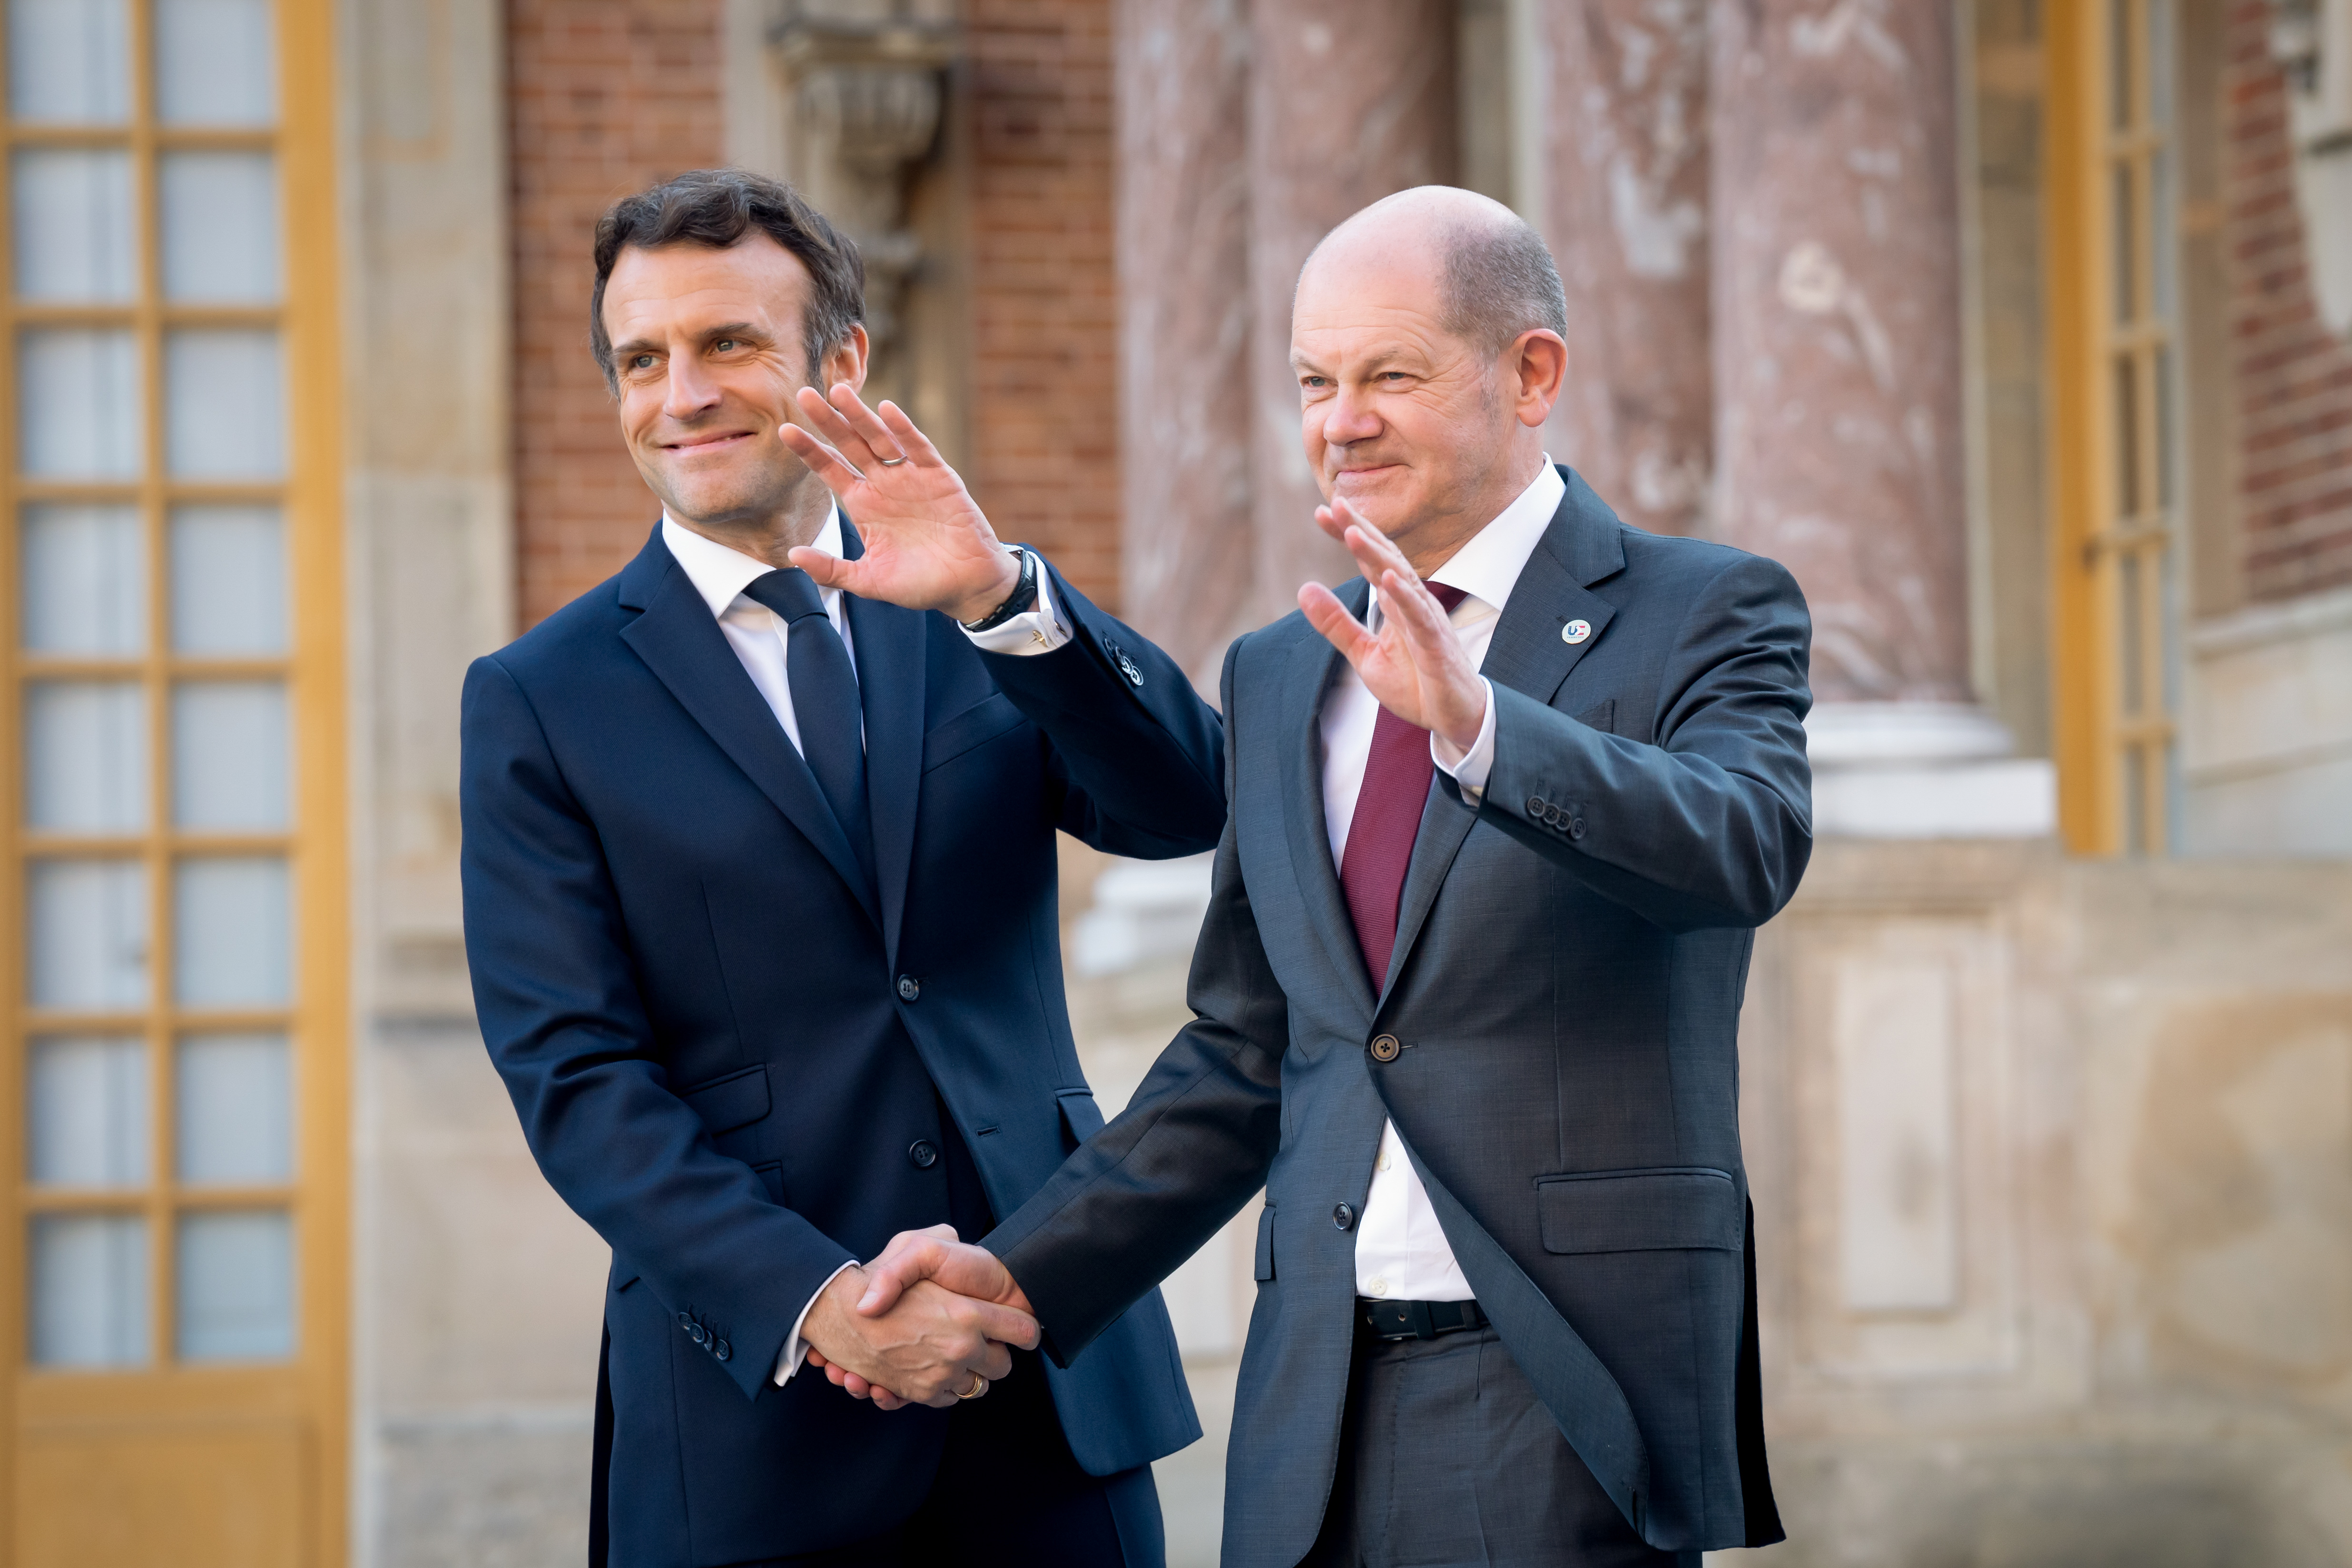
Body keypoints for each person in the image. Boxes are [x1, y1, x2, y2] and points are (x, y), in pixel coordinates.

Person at [837, 186, 1811, 1566]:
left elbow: (1744, 845)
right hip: (1312, 1411)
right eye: (1315, 381)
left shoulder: (1705, 606)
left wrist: (1477, 726)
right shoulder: (1282, 669)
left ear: (1531, 374)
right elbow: (1251, 1053)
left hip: (1566, 1395)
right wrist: (1018, 1270)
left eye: (1390, 376)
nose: (1340, 421)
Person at [458, 168, 1224, 1568]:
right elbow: (575, 1078)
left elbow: (1187, 805)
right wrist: (821, 1301)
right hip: (753, 1432)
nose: (680, 394)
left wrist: (1006, 600)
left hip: (1046, 1381)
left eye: (729, 344)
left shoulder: (969, 602)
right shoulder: (538, 698)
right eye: (643, 359)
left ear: (845, 361)